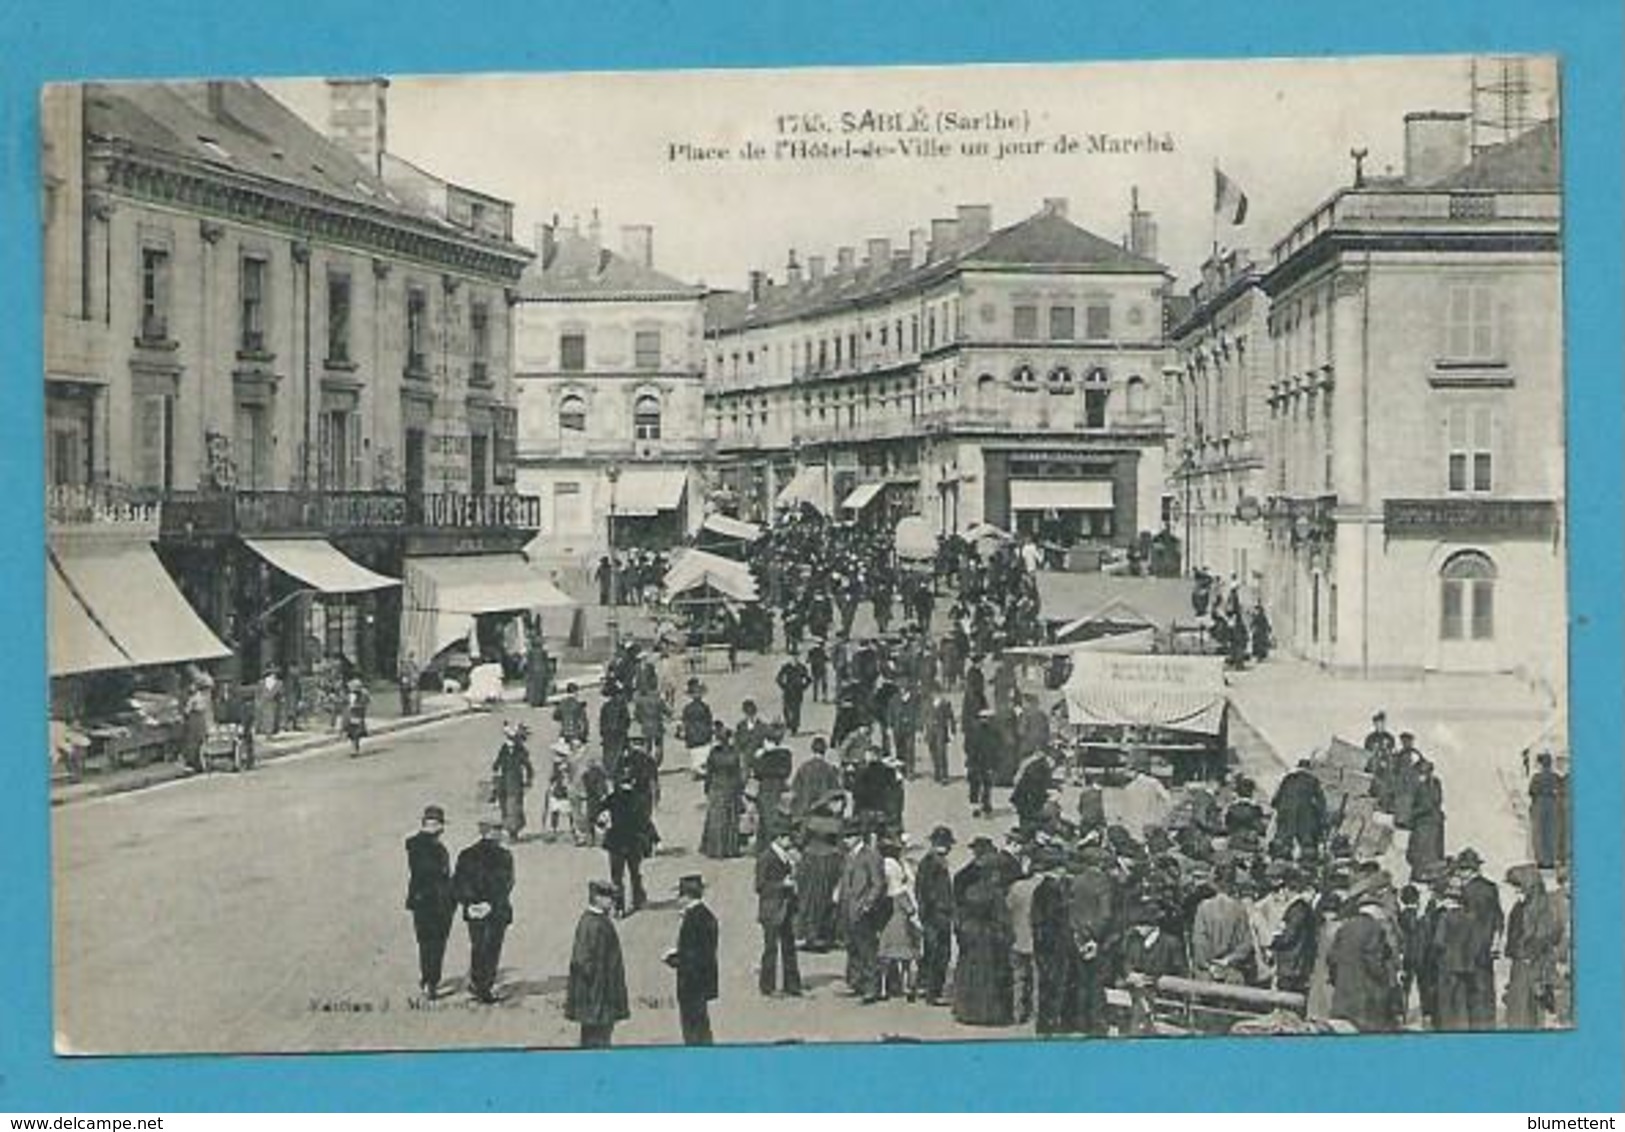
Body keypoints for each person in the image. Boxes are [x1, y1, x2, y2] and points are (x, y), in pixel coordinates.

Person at [951, 836, 1014, 1026]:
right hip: (989, 936)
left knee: (969, 972)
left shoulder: (969, 887)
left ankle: (966, 1011)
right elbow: (1002, 918)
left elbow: (960, 910)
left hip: (971, 933)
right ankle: (988, 1013)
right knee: (990, 975)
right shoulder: (994, 893)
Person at [452, 816, 515, 1004]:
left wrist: (469, 903)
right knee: (492, 948)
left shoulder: (466, 854)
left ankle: (477, 983)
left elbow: (458, 883)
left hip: (474, 910)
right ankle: (484, 988)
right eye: (498, 830)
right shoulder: (504, 856)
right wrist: (490, 904)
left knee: (478, 946)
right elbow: (506, 884)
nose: (500, 833)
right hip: (496, 909)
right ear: (492, 832)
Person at [1328, 879, 1401, 1032]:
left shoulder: (1344, 927)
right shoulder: (1374, 928)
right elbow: (1374, 962)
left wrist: (1338, 980)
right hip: (1366, 998)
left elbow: (1332, 959)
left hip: (1342, 997)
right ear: (1374, 909)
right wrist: (1385, 982)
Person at [565, 880, 631, 1048]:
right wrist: (596, 988)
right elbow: (582, 960)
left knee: (599, 1035)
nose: (612, 902)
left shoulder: (596, 920)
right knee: (597, 1037)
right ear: (597, 898)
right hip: (597, 995)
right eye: (609, 898)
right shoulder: (592, 923)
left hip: (600, 994)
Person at [404, 804, 456, 1000]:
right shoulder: (431, 846)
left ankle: (427, 978)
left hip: (420, 900)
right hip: (437, 901)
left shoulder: (414, 843)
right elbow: (432, 872)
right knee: (436, 942)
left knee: (425, 941)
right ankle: (431, 981)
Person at [665, 875, 718, 1045]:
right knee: (701, 1022)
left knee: (692, 1025)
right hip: (703, 980)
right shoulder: (706, 915)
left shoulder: (693, 918)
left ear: (686, 896)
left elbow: (692, 955)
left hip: (692, 982)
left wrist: (673, 959)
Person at [838, 821, 888, 1003]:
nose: (845, 840)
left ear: (858, 836)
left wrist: (868, 904)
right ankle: (857, 982)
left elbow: (878, 883)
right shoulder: (849, 855)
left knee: (867, 949)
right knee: (853, 947)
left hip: (863, 909)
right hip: (848, 907)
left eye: (849, 837)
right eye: (844, 837)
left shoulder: (871, 855)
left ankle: (872, 988)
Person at [598, 765, 655, 917]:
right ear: (633, 781)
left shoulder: (612, 798)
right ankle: (637, 900)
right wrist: (655, 838)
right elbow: (645, 821)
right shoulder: (639, 799)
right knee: (635, 873)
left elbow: (599, 815)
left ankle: (619, 907)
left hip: (615, 842)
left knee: (617, 876)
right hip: (633, 842)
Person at [1457, 848, 1504, 1029]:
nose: (1460, 875)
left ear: (1468, 870)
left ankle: (1475, 1024)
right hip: (1486, 944)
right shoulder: (1491, 887)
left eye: (1462, 870)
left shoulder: (1466, 891)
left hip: (1469, 946)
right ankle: (1488, 1021)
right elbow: (1499, 917)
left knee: (1472, 988)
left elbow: (1464, 922)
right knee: (1486, 985)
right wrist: (1496, 941)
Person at [756, 829, 803, 997]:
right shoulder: (766, 857)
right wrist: (781, 884)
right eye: (788, 838)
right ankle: (767, 986)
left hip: (787, 908)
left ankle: (792, 985)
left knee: (789, 947)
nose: (790, 842)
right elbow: (760, 885)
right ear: (778, 838)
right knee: (771, 949)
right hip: (771, 909)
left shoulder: (786, 856)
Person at [1191, 865, 1257, 986]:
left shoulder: (1204, 907)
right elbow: (1246, 944)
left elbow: (1199, 941)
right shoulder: (1239, 909)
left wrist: (1208, 965)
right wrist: (1227, 961)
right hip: (1232, 972)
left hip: (1206, 974)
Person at [877, 837, 922, 1001]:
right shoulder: (902, 893)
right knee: (906, 959)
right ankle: (907, 987)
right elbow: (911, 910)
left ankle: (883, 988)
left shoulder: (885, 895)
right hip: (902, 926)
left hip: (887, 927)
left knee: (886, 959)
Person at [916, 826, 956, 1006]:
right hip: (937, 915)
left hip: (932, 914)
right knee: (939, 953)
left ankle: (923, 986)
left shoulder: (929, 862)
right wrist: (942, 908)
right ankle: (934, 992)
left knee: (932, 951)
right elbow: (928, 892)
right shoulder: (934, 863)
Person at [1005, 853, 1042, 1024]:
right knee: (1037, 979)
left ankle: (1016, 1012)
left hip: (1017, 937)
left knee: (1018, 978)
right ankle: (1036, 1013)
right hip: (1038, 940)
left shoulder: (1017, 887)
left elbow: (1007, 908)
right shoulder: (1046, 887)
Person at [700, 728, 746, 860]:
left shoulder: (714, 753)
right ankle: (730, 848)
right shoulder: (735, 753)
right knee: (730, 818)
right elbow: (739, 773)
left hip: (717, 786)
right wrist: (740, 789)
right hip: (730, 787)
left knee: (716, 819)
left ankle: (714, 848)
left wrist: (707, 787)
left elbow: (709, 772)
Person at [1271, 759, 1328, 859]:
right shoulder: (1313, 780)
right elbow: (1321, 801)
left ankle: (1279, 861)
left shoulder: (1288, 778)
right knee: (1306, 840)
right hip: (1304, 815)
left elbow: (1276, 799)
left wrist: (1280, 808)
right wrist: (1321, 817)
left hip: (1286, 813)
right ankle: (1306, 862)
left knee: (1283, 840)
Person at [491, 722, 534, 843]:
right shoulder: (503, 748)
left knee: (513, 807)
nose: (509, 741)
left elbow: (528, 766)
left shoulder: (521, 750)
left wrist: (528, 780)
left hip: (515, 782)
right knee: (505, 806)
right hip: (503, 782)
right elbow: (497, 763)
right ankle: (508, 828)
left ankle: (513, 832)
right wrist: (495, 771)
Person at [789, 736, 842, 827]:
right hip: (822, 810)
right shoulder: (829, 769)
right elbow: (835, 791)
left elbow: (795, 789)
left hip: (804, 809)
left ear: (812, 749)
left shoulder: (804, 767)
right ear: (825, 750)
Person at [1405, 759, 1446, 874]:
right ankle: (1422, 871)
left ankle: (1424, 872)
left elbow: (1431, 802)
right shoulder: (1418, 784)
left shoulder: (1433, 784)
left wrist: (1412, 814)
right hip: (1424, 821)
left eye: (1425, 772)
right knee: (1421, 849)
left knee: (1426, 849)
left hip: (1426, 822)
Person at [1528, 752, 1567, 869]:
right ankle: (1551, 860)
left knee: (1540, 833)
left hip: (1540, 804)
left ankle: (1542, 861)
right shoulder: (1556, 777)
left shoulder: (1536, 777)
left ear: (1541, 764)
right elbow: (1561, 791)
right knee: (1552, 832)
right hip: (1553, 805)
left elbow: (1531, 792)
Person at [679, 679, 715, 779]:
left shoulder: (687, 708)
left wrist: (683, 732)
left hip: (692, 734)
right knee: (704, 752)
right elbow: (709, 720)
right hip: (704, 733)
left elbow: (684, 722)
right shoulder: (705, 707)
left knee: (695, 753)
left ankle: (697, 770)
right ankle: (702, 769)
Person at [925, 688, 956, 785]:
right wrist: (922, 729)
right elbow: (924, 716)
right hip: (930, 731)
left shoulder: (945, 704)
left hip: (941, 730)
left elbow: (951, 717)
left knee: (941, 752)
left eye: (937, 692)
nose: (935, 694)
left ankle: (944, 776)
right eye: (933, 693)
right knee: (933, 751)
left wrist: (952, 730)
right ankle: (937, 772)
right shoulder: (928, 703)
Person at [776, 654, 812, 735]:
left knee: (796, 710)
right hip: (788, 691)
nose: (794, 659)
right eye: (793, 658)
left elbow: (808, 679)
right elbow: (778, 678)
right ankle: (789, 723)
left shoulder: (801, 668)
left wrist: (803, 687)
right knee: (786, 709)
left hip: (797, 691)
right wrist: (783, 686)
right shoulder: (786, 667)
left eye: (796, 658)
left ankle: (794, 728)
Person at [342, 677, 370, 756]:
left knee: (356, 732)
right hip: (349, 715)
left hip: (357, 715)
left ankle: (355, 748)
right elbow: (345, 703)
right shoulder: (349, 695)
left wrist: (357, 707)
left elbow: (365, 704)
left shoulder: (363, 694)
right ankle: (354, 747)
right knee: (351, 732)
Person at [397, 652, 419, 717]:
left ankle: (409, 710)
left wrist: (413, 681)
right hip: (406, 685)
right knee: (405, 698)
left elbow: (415, 674)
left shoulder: (412, 665)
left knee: (409, 698)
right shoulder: (407, 665)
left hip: (409, 684)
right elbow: (401, 676)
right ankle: (406, 710)